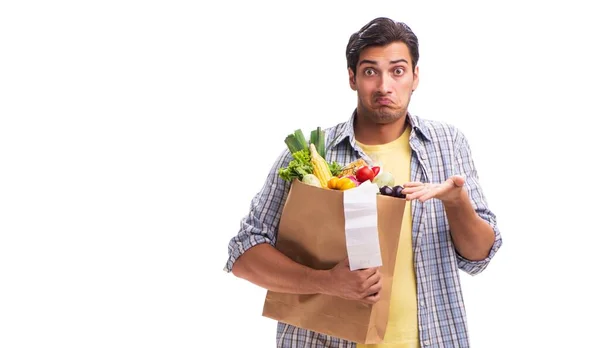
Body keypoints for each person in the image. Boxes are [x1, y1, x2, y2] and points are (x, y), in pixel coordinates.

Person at [223, 17, 502, 348]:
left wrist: (457, 202)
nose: (384, 86)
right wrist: (326, 282)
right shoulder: (312, 156)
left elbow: (479, 257)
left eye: (397, 71)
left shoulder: (447, 144)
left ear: (415, 77)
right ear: (353, 78)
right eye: (371, 71)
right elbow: (242, 254)